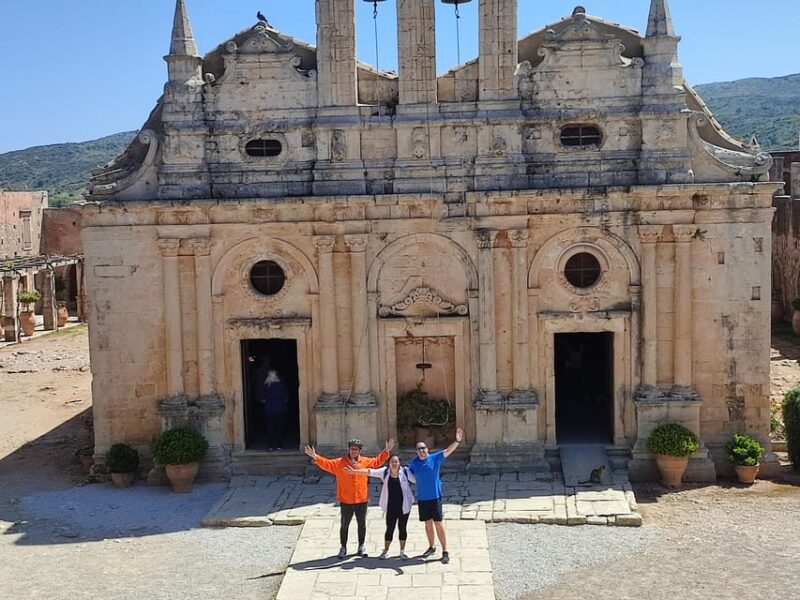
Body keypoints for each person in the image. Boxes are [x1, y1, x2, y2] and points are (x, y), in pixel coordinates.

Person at [304, 437, 394, 558]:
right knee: (344, 525)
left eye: (356, 449)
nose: (354, 451)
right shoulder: (340, 462)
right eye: (352, 449)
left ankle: (361, 546)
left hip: (362, 499)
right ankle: (343, 547)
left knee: (362, 524)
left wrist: (386, 451)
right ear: (349, 449)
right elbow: (327, 464)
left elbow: (377, 461)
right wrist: (315, 456)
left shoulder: (365, 461)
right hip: (346, 500)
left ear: (360, 450)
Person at [408, 427, 464, 564]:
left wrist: (457, 441)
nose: (421, 451)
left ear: (427, 449)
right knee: (427, 523)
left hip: (435, 497)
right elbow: (407, 475)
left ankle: (445, 550)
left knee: (438, 523)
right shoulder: (414, 463)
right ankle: (431, 547)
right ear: (416, 451)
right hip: (422, 498)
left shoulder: (434, 458)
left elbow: (448, 451)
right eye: (419, 449)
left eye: (423, 448)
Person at [344, 455, 416, 560]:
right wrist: (355, 471)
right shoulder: (385, 472)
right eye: (392, 462)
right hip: (391, 506)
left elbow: (417, 480)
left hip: (404, 506)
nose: (394, 464)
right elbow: (370, 471)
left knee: (402, 528)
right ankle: (385, 551)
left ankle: (402, 552)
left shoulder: (405, 472)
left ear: (399, 463)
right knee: (389, 529)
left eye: (396, 462)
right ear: (389, 463)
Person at [260, 369, 288, 450]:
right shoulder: (282, 385)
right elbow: (286, 398)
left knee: (270, 428)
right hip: (280, 409)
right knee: (279, 428)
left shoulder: (266, 386)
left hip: (268, 410)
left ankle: (270, 446)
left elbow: (262, 399)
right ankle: (279, 445)